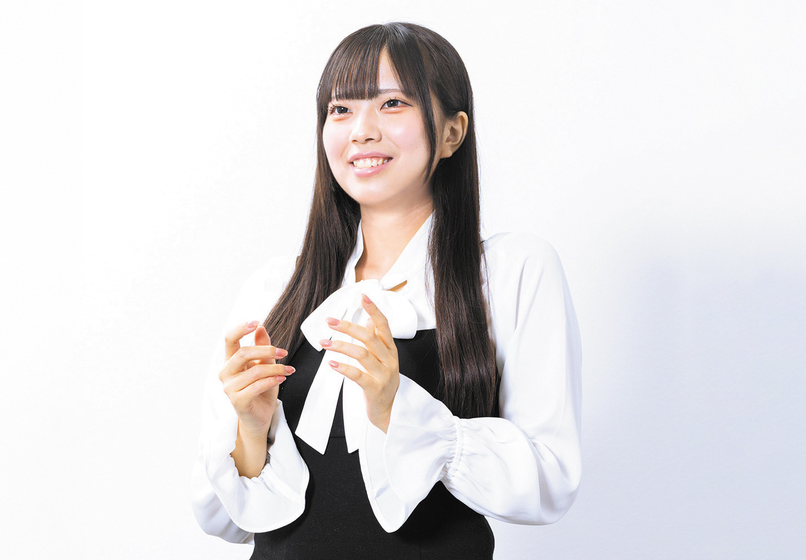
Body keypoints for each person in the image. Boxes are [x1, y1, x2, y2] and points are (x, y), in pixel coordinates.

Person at [192, 22, 582, 559]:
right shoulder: (275, 288)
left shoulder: (511, 271)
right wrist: (251, 430)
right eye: (340, 109)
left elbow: (550, 481)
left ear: (452, 132)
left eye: (393, 103)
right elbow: (220, 519)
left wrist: (399, 410)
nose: (361, 131)